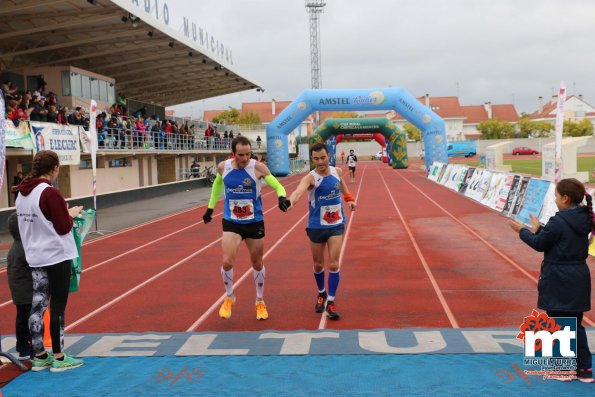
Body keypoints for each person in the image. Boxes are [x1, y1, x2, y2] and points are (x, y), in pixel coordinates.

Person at [509, 178, 594, 383]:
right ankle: (584, 369)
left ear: (565, 198)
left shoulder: (560, 220)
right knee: (575, 323)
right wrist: (540, 228)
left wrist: (522, 231)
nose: (555, 200)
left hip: (559, 276)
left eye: (556, 196)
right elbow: (560, 238)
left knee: (558, 321)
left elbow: (540, 244)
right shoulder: (586, 218)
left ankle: (563, 369)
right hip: (579, 275)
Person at [202, 136, 291, 320]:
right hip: (231, 221)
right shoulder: (223, 167)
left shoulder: (257, 167)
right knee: (227, 262)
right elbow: (218, 184)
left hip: (254, 222)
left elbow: (277, 185)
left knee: (257, 263)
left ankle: (259, 300)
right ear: (232, 154)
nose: (245, 158)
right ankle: (229, 296)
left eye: (248, 154)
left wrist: (281, 197)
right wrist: (210, 208)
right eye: (241, 155)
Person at [13, 150, 84, 372]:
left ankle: (40, 355)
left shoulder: (22, 194)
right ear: (54, 169)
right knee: (58, 307)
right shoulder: (50, 193)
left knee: (38, 304)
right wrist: (70, 213)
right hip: (55, 255)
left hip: (35, 256)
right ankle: (60, 357)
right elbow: (63, 227)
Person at [286, 143, 356, 320]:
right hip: (317, 225)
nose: (320, 162)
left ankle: (331, 301)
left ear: (328, 156)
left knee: (333, 264)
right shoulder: (311, 178)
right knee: (318, 265)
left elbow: (343, 188)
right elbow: (299, 191)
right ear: (312, 160)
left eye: (323, 158)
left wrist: (349, 200)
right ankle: (321, 293)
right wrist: (289, 202)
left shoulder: (336, 172)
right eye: (316, 159)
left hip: (336, 224)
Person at [6, 213, 33, 361]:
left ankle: (23, 346)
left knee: (23, 318)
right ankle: (25, 347)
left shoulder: (18, 245)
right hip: (24, 290)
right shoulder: (23, 247)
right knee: (26, 319)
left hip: (20, 289)